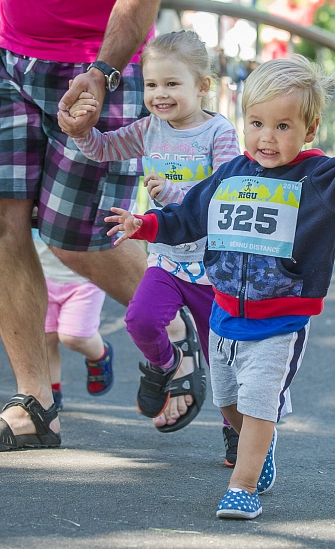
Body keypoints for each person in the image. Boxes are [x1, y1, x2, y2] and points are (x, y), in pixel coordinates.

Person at [105, 55, 335, 519]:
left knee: (259, 403)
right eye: (257, 122)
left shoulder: (317, 179)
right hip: (223, 315)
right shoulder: (231, 173)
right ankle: (259, 445)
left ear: (310, 128)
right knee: (229, 402)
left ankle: (243, 484)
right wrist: (145, 224)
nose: (266, 137)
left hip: (279, 320)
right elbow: (188, 216)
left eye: (283, 126)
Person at [0, 0, 165, 452]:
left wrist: (103, 71)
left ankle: (180, 327)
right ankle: (34, 404)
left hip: (102, 65)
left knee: (77, 236)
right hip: (12, 61)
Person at [60, 30, 243, 465]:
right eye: (152, 84)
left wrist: (172, 199)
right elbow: (103, 149)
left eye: (172, 84)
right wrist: (82, 129)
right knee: (139, 320)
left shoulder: (219, 133)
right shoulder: (150, 129)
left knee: (223, 363)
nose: (159, 95)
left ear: (202, 86)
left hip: (213, 267)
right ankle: (165, 364)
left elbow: (226, 193)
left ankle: (237, 432)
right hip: (167, 259)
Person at [32, 229, 112, 411]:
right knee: (46, 338)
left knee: (74, 337)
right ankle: (52, 394)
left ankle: (100, 354)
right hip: (44, 278)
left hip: (85, 282)